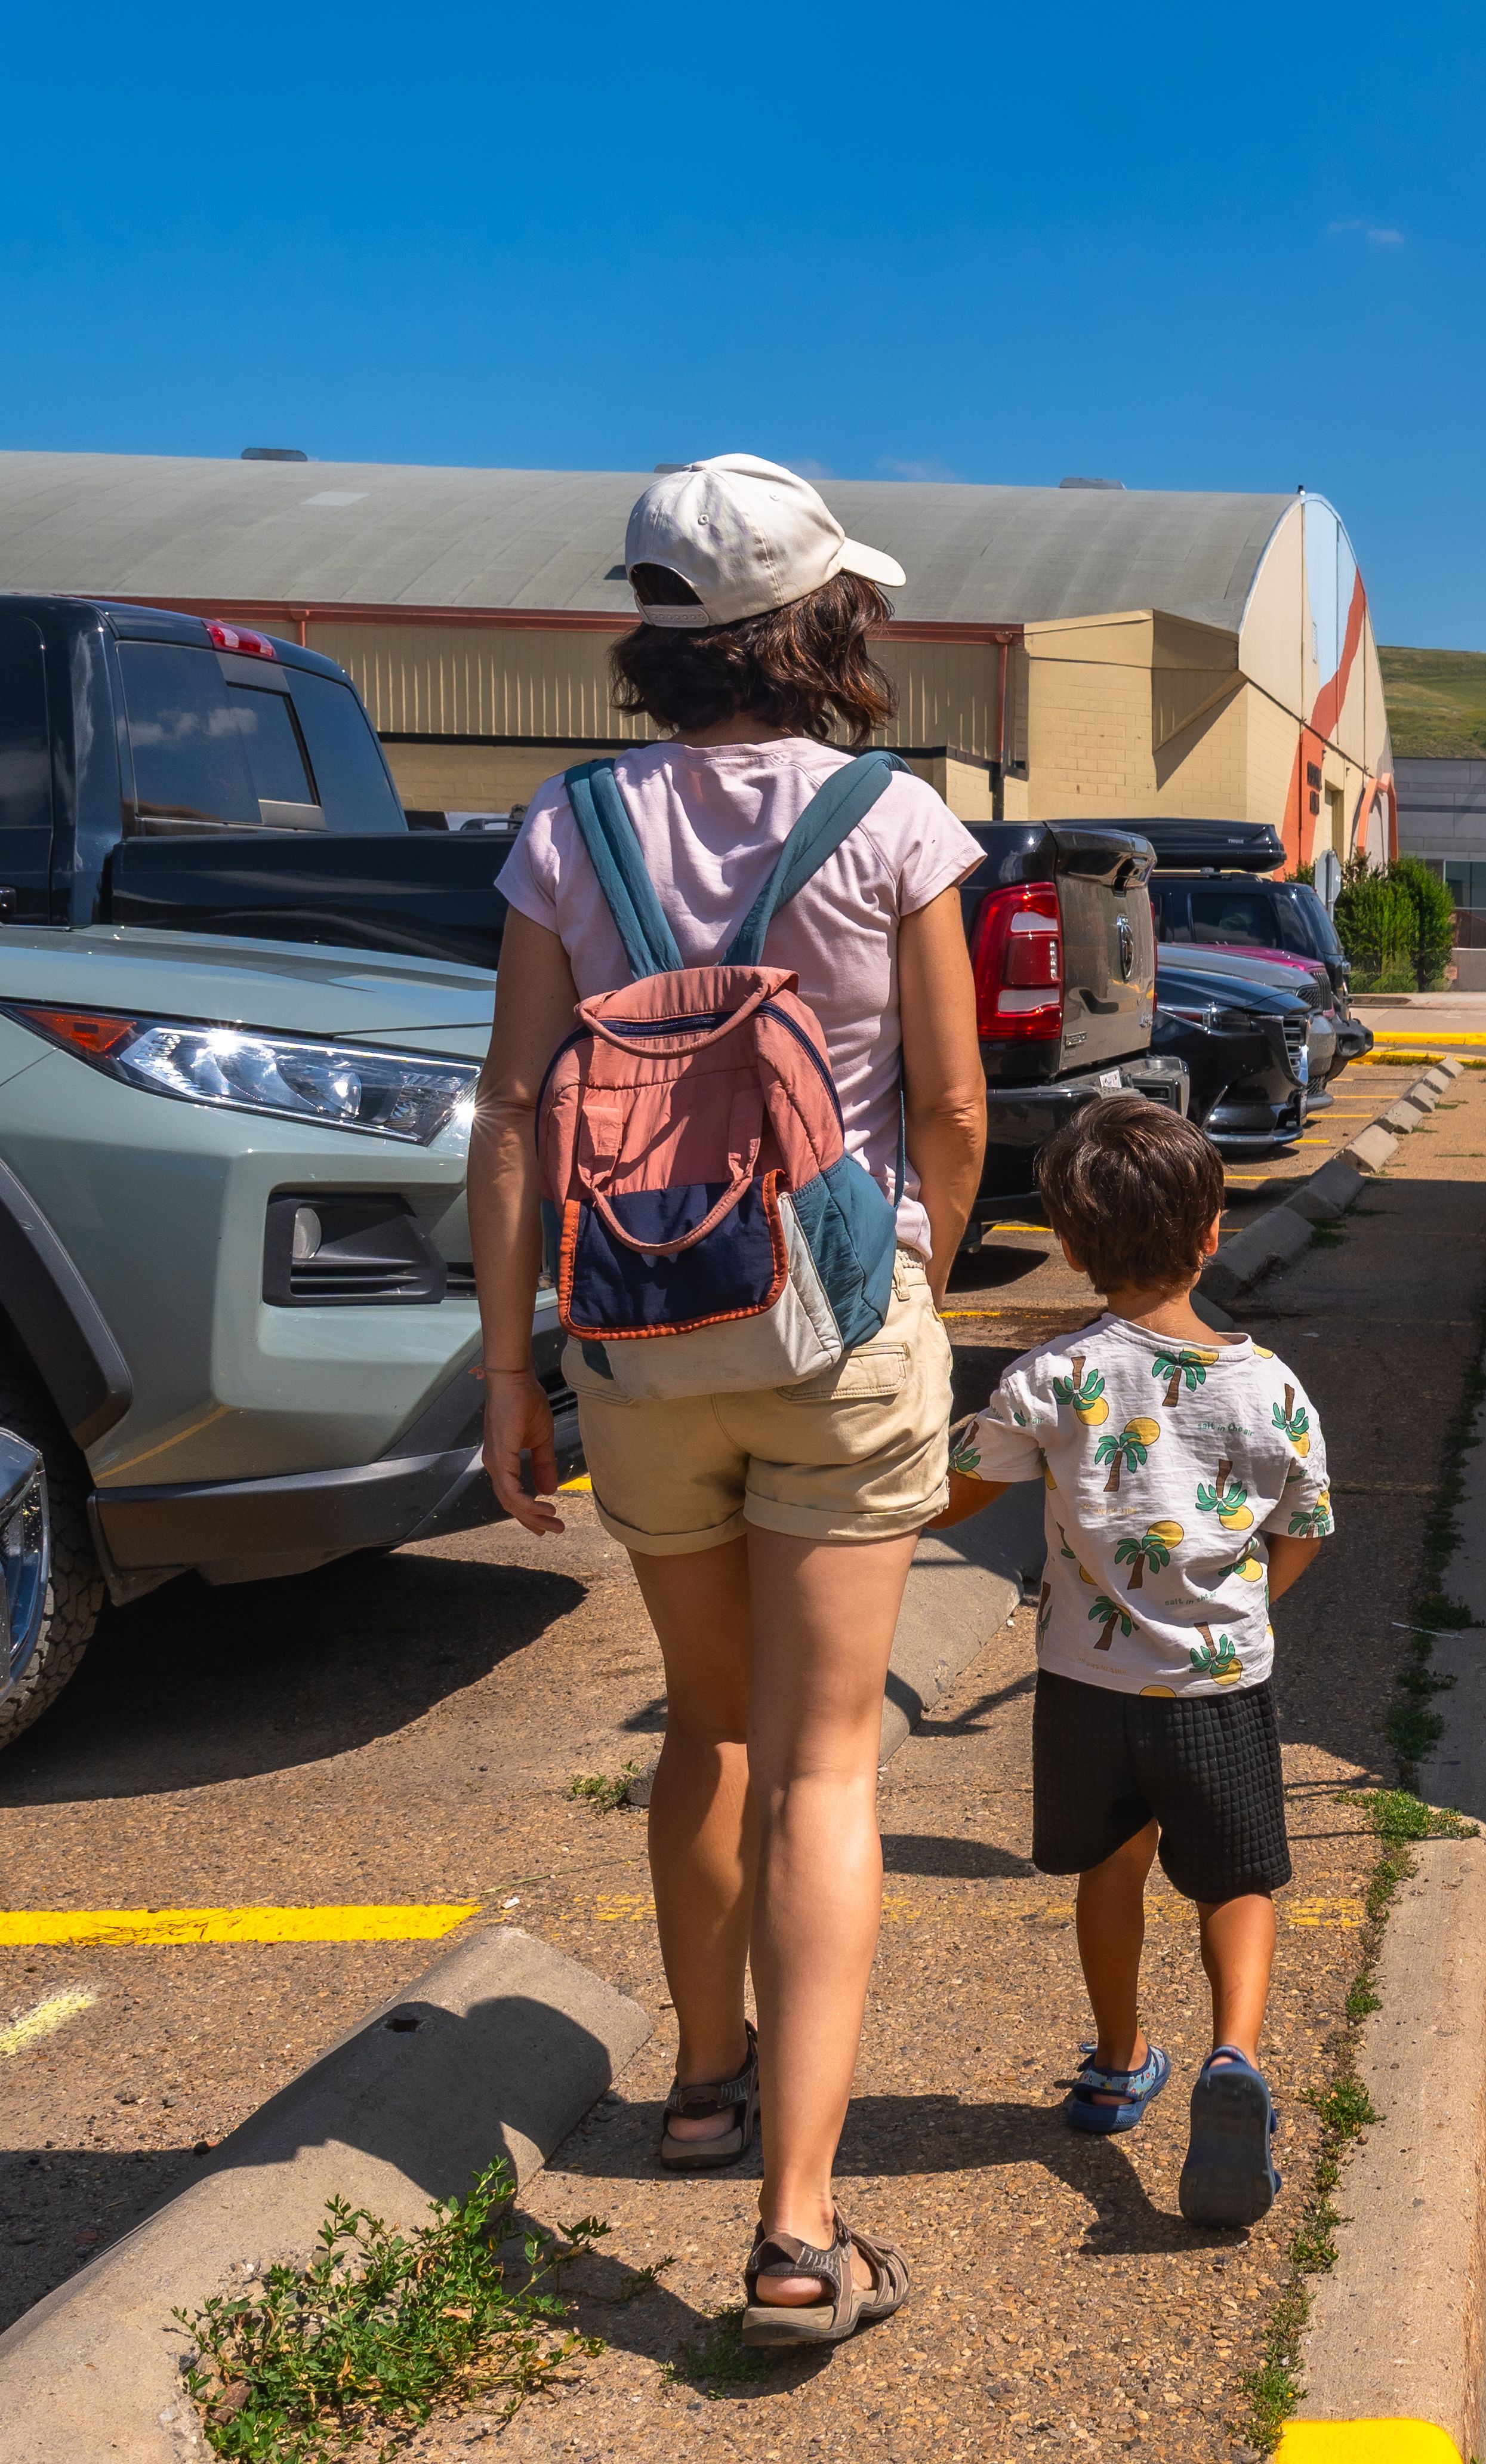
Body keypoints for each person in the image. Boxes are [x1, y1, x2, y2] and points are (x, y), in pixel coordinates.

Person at [467, 454, 990, 2349]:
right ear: (822, 620)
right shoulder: (894, 819)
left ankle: (702, 2086)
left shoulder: (568, 824)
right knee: (827, 1765)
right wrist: (920, 1269)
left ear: (658, 627)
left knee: (709, 1729)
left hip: (638, 1335)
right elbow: (951, 1102)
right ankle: (796, 2232)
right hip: (834, 1333)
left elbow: (513, 1105)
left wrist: (513, 1362)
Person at [931, 1097, 1331, 2228]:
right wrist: (1240, 1609)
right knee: (1236, 1881)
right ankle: (1232, 2057)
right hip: (1220, 1686)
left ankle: (1118, 2065)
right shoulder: (1272, 1387)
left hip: (1086, 1687)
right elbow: (1305, 1526)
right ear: (1212, 1234)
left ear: (1069, 1246)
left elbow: (954, 1497)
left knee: (1111, 1873)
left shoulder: (1048, 1378)